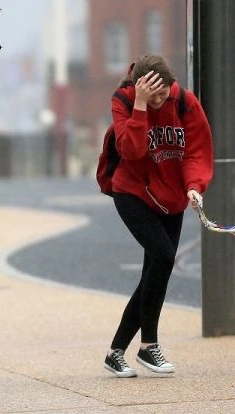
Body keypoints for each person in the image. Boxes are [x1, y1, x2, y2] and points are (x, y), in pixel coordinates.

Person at [102, 54, 213, 378]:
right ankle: (148, 344)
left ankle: (115, 352)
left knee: (155, 272)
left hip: (172, 197)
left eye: (163, 94)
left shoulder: (185, 102)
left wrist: (194, 186)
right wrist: (140, 105)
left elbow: (196, 150)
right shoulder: (123, 100)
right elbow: (132, 150)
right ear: (140, 88)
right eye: (153, 96)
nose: (159, 101)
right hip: (132, 192)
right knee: (164, 258)